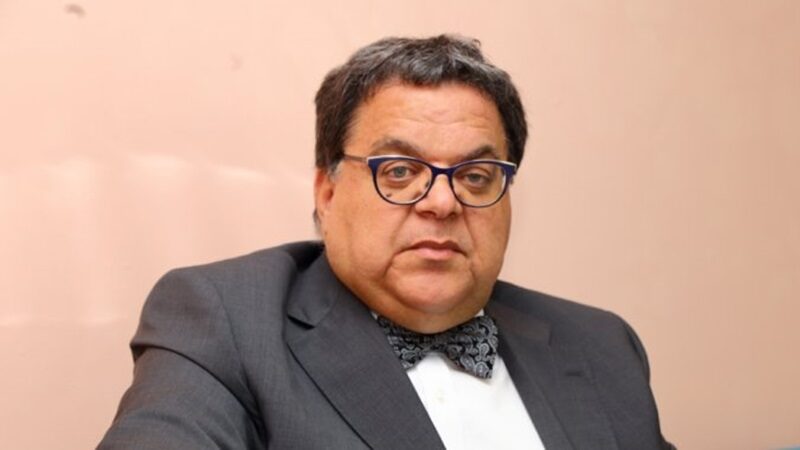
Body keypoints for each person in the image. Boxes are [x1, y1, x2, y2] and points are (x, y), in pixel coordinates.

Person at [99, 35, 673, 449]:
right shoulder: (226, 323)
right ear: (327, 192)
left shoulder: (601, 345)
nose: (442, 202)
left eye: (476, 176)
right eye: (399, 172)